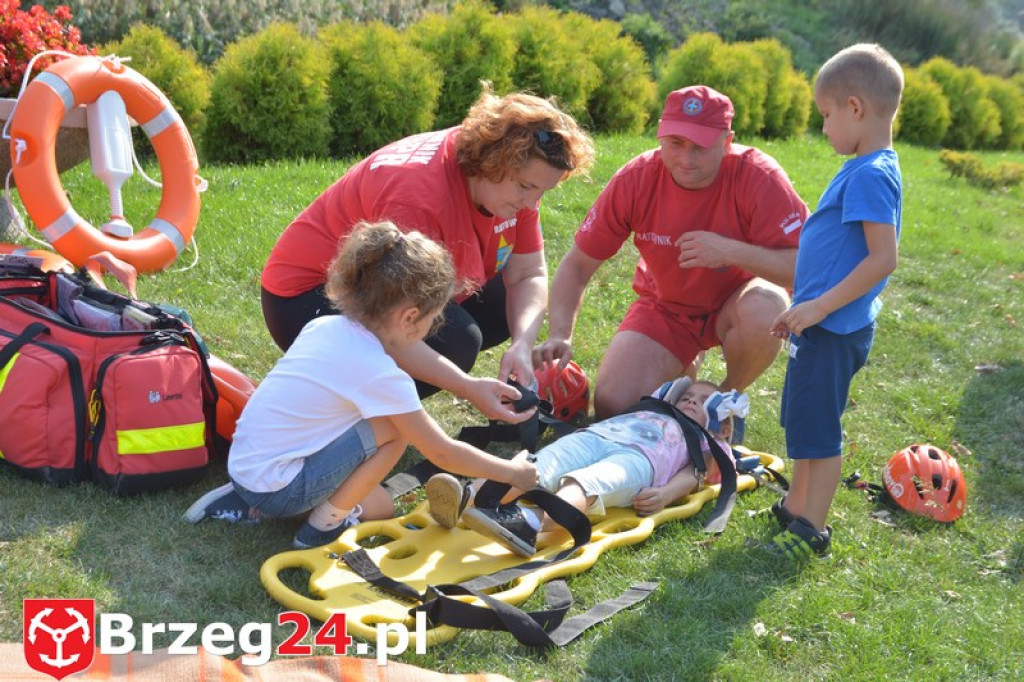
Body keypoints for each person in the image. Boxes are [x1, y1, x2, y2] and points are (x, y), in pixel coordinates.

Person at [184, 221, 539, 549]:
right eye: (436, 317)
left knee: (379, 504)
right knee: (396, 429)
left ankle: (249, 502)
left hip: (247, 464)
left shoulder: (325, 327)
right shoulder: (380, 374)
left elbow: (397, 357)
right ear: (410, 317)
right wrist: (513, 472)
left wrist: (467, 384)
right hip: (277, 486)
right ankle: (324, 525)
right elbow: (442, 452)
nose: (435, 327)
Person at [261, 86, 595, 424]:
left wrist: (522, 344)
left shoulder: (514, 179)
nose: (531, 203)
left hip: (379, 291)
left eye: (542, 191)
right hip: (305, 299)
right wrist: (466, 387)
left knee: (501, 305)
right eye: (525, 188)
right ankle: (353, 415)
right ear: (494, 161)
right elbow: (390, 327)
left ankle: (373, 396)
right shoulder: (417, 198)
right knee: (456, 341)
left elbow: (528, 274)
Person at [534, 85, 809, 423]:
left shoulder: (759, 175)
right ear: (660, 135)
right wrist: (561, 333)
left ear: (727, 141)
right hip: (668, 306)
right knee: (614, 406)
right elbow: (577, 264)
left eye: (700, 147)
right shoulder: (637, 178)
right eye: (676, 143)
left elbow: (808, 269)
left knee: (767, 305)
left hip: (739, 302)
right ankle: (684, 368)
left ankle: (722, 402)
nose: (685, 159)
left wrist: (730, 251)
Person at [766, 44, 903, 560]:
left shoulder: (871, 173)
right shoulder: (864, 166)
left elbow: (881, 258)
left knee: (820, 429)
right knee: (803, 418)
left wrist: (819, 307)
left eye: (826, 116)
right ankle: (796, 504)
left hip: (833, 327)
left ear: (855, 108)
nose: (824, 129)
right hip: (819, 324)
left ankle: (812, 528)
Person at [426, 378, 748, 557]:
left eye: (703, 400)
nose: (691, 400)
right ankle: (468, 498)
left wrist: (665, 493)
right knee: (540, 463)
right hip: (597, 436)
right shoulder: (654, 411)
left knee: (585, 483)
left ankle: (529, 526)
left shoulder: (707, 440)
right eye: (688, 395)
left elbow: (696, 474)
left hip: (640, 462)